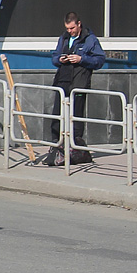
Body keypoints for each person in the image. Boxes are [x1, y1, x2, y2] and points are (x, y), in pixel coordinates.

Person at [44, 11, 105, 166]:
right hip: (62, 81)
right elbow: (54, 57)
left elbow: (99, 60)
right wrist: (60, 59)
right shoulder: (63, 38)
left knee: (75, 116)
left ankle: (75, 148)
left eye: (72, 28)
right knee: (57, 114)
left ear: (78, 24)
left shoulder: (90, 39)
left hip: (79, 83)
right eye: (67, 28)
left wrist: (81, 59)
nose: (69, 31)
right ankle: (56, 146)